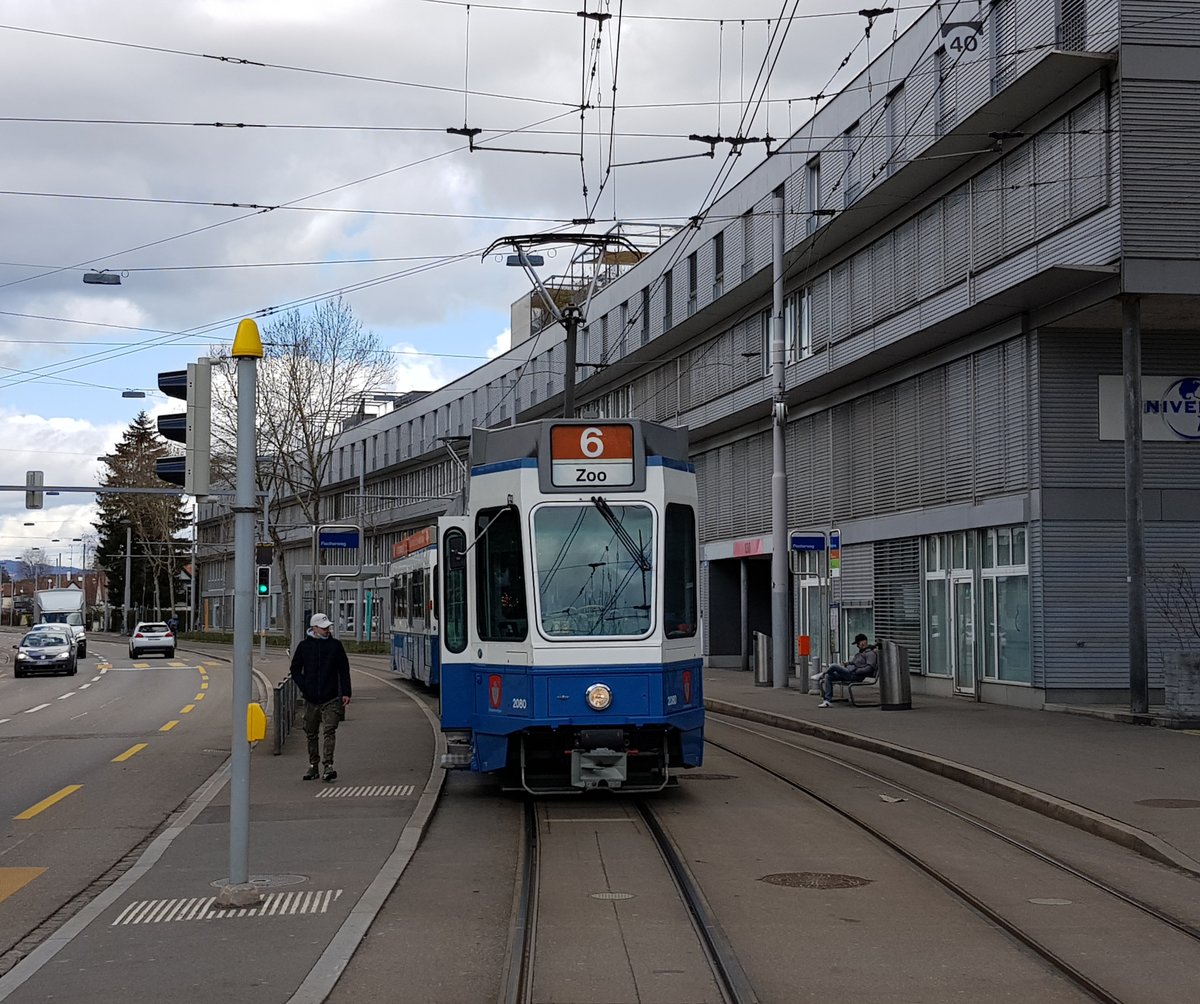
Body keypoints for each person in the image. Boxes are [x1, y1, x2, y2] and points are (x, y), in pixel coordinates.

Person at [290, 613, 352, 781]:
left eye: (328, 628)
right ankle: (313, 765)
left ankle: (328, 765)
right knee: (311, 733)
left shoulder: (335, 646)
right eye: (324, 628)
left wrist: (346, 692)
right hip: (311, 698)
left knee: (329, 730)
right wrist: (304, 685)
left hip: (331, 697)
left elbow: (343, 670)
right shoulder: (304, 647)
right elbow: (295, 669)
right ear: (314, 629)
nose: (327, 630)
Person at [813, 633, 877, 708]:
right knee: (829, 676)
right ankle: (827, 701)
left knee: (834, 665)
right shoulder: (860, 653)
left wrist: (856, 671)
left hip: (855, 675)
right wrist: (848, 664)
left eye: (858, 643)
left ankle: (821, 675)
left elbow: (869, 668)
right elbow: (854, 663)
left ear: (863, 642)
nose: (857, 646)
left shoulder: (870, 654)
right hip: (849, 672)